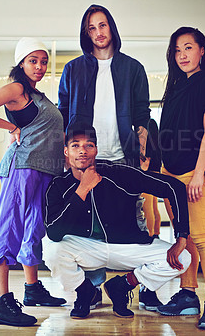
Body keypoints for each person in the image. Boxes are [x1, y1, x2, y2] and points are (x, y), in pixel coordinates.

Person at [43, 122, 191, 320]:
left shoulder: (118, 174)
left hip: (126, 245)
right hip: (87, 248)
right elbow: (54, 231)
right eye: (75, 145)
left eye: (89, 145)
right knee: (52, 250)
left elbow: (174, 188)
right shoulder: (59, 185)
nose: (82, 151)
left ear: (96, 150)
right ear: (66, 151)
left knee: (183, 258)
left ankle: (121, 286)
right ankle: (84, 291)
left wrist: (181, 237)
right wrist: (83, 189)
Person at [58, 4, 153, 307]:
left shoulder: (133, 68)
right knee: (86, 221)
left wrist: (143, 150)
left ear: (111, 28)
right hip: (85, 156)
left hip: (123, 154)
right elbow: (62, 112)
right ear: (86, 34)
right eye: (91, 28)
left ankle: (124, 289)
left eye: (102, 26)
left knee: (126, 219)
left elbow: (142, 115)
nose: (98, 33)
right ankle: (89, 291)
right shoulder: (74, 68)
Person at [0, 37, 66, 327]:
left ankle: (32, 289)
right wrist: (11, 126)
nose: (39, 66)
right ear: (21, 62)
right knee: (9, 228)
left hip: (45, 170)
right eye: (33, 60)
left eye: (43, 61)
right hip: (23, 168)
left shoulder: (37, 94)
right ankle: (2, 303)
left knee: (34, 229)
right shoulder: (16, 88)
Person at [157, 27, 205, 330]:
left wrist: (199, 174)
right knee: (183, 235)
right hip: (170, 173)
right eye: (177, 50)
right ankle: (187, 294)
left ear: (202, 51)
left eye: (188, 48)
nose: (182, 55)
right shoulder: (174, 86)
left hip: (194, 172)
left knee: (202, 237)